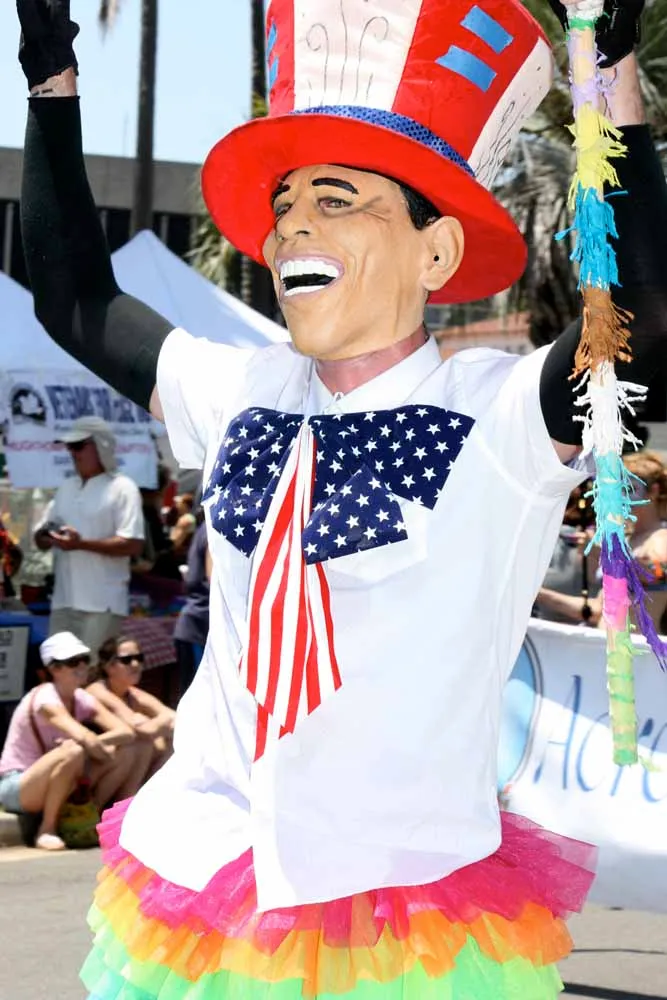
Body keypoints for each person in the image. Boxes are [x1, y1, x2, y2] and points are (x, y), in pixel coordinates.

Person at [14, 0, 665, 996]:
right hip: (203, 878)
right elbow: (75, 300)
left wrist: (605, 65)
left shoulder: (498, 417)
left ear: (435, 253)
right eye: (284, 205)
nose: (293, 227)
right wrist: (49, 75)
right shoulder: (238, 386)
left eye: (335, 198)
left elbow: (642, 326)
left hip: (400, 908)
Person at [0, 631, 135, 851]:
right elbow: (81, 736)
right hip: (17, 784)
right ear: (54, 669)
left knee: (128, 752)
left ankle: (92, 818)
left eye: (84, 660)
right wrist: (92, 744)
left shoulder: (80, 697)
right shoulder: (45, 698)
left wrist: (97, 743)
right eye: (72, 662)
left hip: (55, 776)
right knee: (73, 751)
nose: (81, 666)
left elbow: (126, 732)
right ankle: (47, 828)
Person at [33, 415, 145, 657]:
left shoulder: (123, 487)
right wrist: (46, 536)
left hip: (102, 603)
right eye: (69, 447)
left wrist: (80, 544)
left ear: (101, 445)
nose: (72, 453)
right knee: (58, 669)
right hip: (63, 599)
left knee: (91, 670)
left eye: (78, 445)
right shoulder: (66, 487)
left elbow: (133, 544)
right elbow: (40, 538)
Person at [539, 451, 667, 631]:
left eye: (627, 488)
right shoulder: (627, 540)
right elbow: (597, 610)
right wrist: (536, 594)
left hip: (637, 647)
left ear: (653, 491)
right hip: (606, 644)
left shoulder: (660, 538)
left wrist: (606, 556)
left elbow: (657, 572)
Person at [87, 634, 175, 780]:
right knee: (143, 745)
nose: (135, 664)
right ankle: (131, 792)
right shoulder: (98, 691)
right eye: (126, 660)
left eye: (139, 658)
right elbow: (146, 730)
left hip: (113, 762)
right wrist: (162, 721)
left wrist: (155, 723)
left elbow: (176, 719)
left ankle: (152, 788)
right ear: (109, 667)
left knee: (170, 742)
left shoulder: (132, 694)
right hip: (89, 761)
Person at [173, 518, 210, 696]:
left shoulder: (207, 526)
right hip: (198, 625)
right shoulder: (214, 528)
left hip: (199, 623)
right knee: (198, 695)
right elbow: (214, 579)